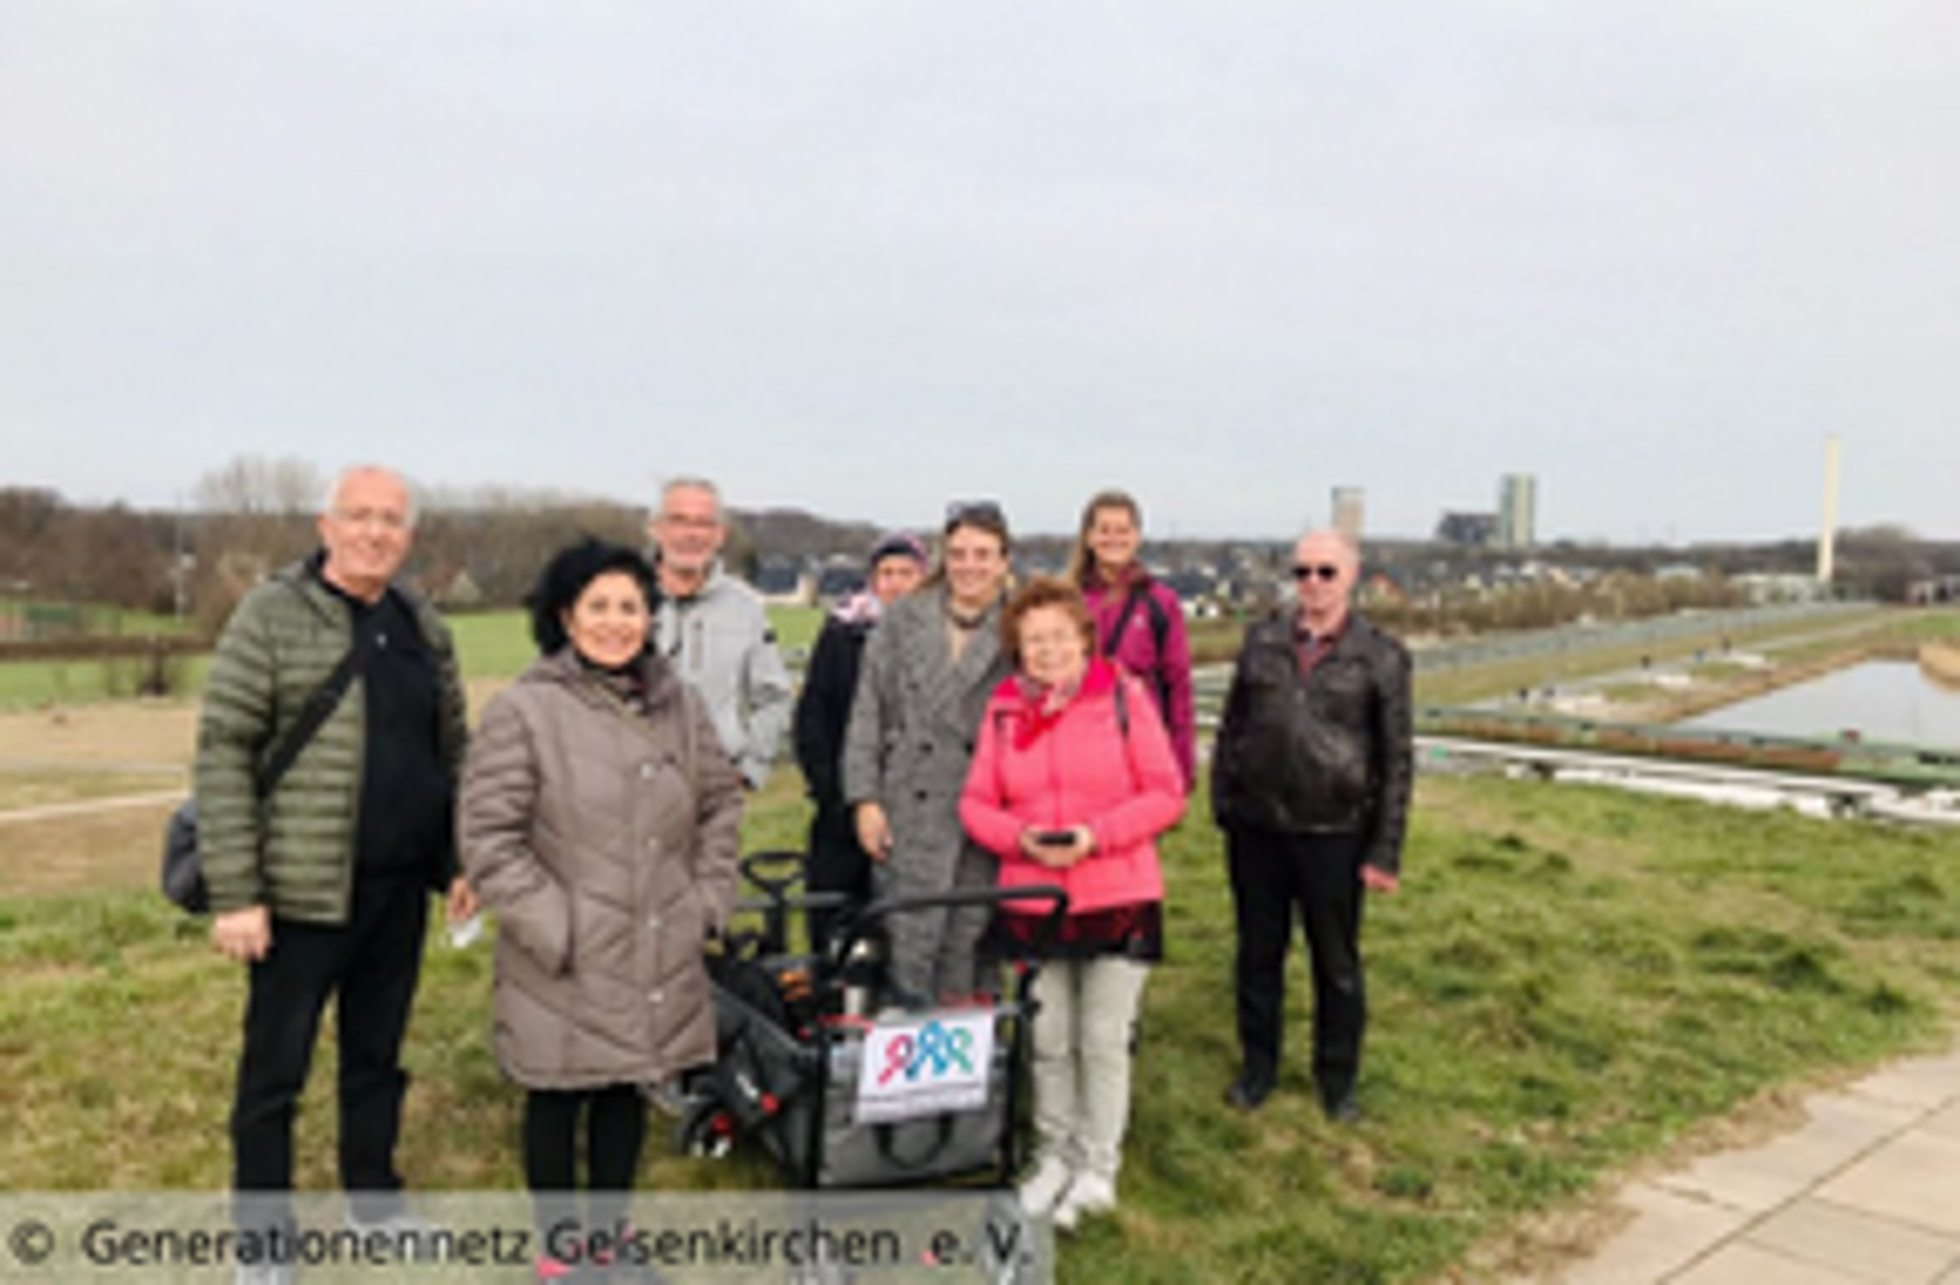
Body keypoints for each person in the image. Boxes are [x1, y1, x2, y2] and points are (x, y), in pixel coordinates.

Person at [196, 465, 476, 1284]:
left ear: (409, 536)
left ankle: (373, 1201)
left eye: (391, 519)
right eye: (359, 515)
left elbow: (453, 752)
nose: (375, 531)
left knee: (377, 1059)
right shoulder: (270, 615)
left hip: (397, 890)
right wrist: (237, 892)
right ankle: (263, 1243)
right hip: (298, 892)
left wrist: (459, 857)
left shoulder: (424, 624)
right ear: (326, 525)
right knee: (273, 1076)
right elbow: (223, 754)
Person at [459, 539, 743, 1282]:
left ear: (651, 616)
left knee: (626, 1087)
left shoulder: (679, 702)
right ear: (564, 615)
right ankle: (561, 1251)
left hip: (658, 940)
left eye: (631, 606)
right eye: (599, 607)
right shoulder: (526, 708)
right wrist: (559, 926)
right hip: (567, 950)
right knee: (558, 1094)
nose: (617, 622)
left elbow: (720, 804)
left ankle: (611, 1238)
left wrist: (707, 901)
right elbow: (490, 836)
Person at [959, 578, 1184, 1230]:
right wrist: (1019, 838)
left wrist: (1095, 837)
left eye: (1059, 634)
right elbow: (976, 803)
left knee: (1102, 1038)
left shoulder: (1122, 695)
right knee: (1050, 1038)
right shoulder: (1002, 710)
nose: (1048, 648)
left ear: (1083, 636)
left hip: (1117, 892)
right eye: (1034, 639)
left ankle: (1097, 1166)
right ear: (1017, 648)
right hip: (1034, 898)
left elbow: (1164, 791)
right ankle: (1052, 1154)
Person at [1211, 529, 1412, 1121]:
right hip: (1258, 829)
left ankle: (1336, 1079)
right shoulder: (1262, 641)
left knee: (1337, 965)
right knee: (1257, 956)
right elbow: (1233, 728)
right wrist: (1225, 802)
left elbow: (1396, 758)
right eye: (1303, 572)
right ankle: (1258, 1069)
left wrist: (1385, 849)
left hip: (1335, 832)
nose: (1313, 585)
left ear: (1351, 576)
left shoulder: (1381, 656)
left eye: (1326, 572)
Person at [842, 501, 1015, 1005]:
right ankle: (905, 1059)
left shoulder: (1019, 627)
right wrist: (865, 800)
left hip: (984, 810)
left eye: (983, 554)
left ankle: (971, 1070)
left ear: (1004, 561)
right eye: (959, 553)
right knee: (910, 940)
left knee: (967, 939)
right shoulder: (904, 618)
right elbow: (867, 712)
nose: (970, 565)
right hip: (908, 803)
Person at [790, 530, 928, 949]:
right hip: (843, 806)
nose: (896, 582)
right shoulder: (841, 635)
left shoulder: (939, 638)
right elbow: (814, 716)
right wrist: (839, 794)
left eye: (906, 572)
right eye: (886, 572)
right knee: (834, 927)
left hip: (915, 809)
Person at [647, 477, 793, 790]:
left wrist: (749, 767)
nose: (691, 534)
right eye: (679, 521)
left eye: (703, 524)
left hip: (711, 791)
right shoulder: (619, 598)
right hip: (627, 790)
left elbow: (774, 697)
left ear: (720, 535)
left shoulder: (746, 608)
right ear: (656, 529)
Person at [1066, 489, 1197, 791]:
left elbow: (1178, 686)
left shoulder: (1160, 603)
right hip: (1076, 745)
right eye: (1104, 530)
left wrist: (1181, 766)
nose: (1114, 539)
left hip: (1140, 749)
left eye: (1123, 530)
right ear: (1088, 537)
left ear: (1137, 536)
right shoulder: (1066, 600)